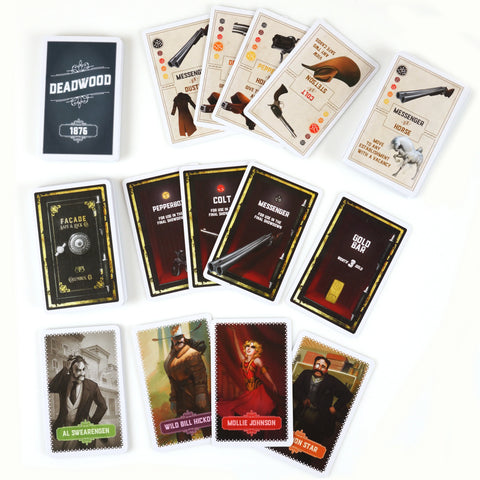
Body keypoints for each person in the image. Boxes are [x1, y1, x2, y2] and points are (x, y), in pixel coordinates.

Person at [48, 355, 107, 450]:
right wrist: (65, 369)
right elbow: (50, 388)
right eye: (78, 370)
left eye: (83, 369)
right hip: (66, 430)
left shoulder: (92, 386)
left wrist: (92, 423)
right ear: (71, 370)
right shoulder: (64, 382)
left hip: (83, 431)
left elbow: (103, 406)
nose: (82, 373)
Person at [164, 326, 211, 441]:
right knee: (182, 432)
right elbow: (172, 382)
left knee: (208, 426)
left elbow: (200, 375)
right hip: (182, 400)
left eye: (180, 337)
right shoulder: (170, 360)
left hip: (196, 396)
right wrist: (173, 399)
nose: (178, 340)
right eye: (176, 338)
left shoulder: (192, 354)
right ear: (172, 339)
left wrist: (201, 394)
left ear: (183, 337)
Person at [293, 355, 353, 445]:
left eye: (323, 366)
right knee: (297, 439)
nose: (319, 368)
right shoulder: (306, 374)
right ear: (314, 365)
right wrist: (303, 398)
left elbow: (347, 394)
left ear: (326, 370)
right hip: (302, 411)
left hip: (320, 417)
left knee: (313, 442)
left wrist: (335, 407)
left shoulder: (331, 381)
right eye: (317, 365)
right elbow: (295, 388)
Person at [217, 329, 278, 417]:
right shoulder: (243, 359)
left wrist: (272, 383)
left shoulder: (257, 360)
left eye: (252, 347)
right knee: (239, 404)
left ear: (256, 351)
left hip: (257, 388)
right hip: (247, 388)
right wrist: (234, 334)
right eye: (247, 346)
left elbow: (265, 373)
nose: (249, 348)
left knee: (261, 407)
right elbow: (237, 349)